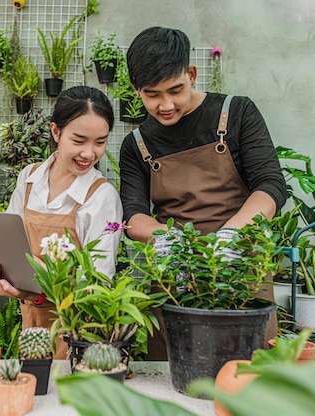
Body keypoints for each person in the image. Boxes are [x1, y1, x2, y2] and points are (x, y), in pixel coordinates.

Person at [119, 27, 287, 360]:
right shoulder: (136, 144)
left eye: (175, 90)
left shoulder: (236, 113)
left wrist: (230, 236)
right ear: (136, 89)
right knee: (175, 380)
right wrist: (170, 242)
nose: (165, 105)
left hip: (241, 268)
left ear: (192, 74)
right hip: (174, 276)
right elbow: (133, 214)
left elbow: (270, 185)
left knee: (248, 378)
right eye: (153, 94)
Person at [0, 86, 123, 359]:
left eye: (100, 142)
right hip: (32, 327)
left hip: (78, 333)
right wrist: (2, 275)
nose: (89, 153)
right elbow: (9, 243)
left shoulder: (101, 196)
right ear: (56, 132)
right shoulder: (29, 178)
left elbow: (97, 286)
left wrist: (37, 292)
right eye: (79, 140)